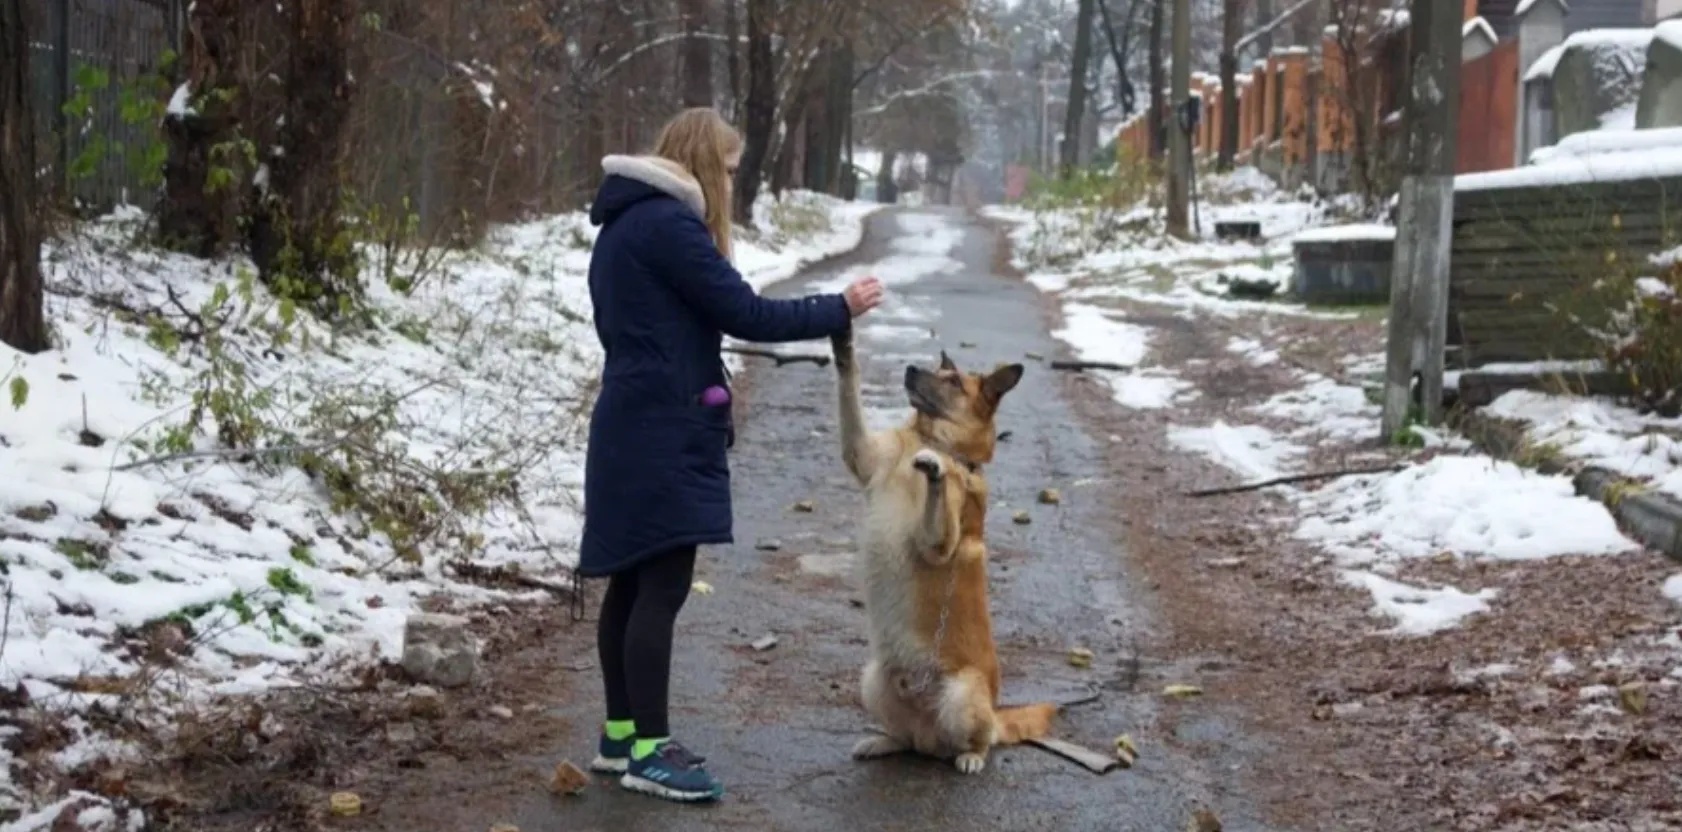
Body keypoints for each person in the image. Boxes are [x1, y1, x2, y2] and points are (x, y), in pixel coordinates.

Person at [579, 107, 884, 803]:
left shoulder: (622, 226)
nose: (731, 182)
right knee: (661, 587)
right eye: (730, 168)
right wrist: (839, 306)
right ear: (705, 161)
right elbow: (747, 313)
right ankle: (650, 753)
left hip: (629, 418)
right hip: (662, 428)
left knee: (630, 582)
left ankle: (621, 734)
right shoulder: (670, 227)